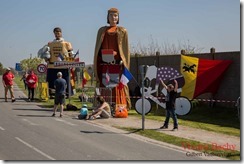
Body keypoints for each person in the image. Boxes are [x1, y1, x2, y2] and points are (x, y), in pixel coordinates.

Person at [93, 7, 131, 109]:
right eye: (111, 15)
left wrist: (123, 59)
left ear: (118, 17)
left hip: (117, 65)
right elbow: (98, 47)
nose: (113, 17)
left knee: (117, 86)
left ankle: (119, 106)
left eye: (115, 15)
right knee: (106, 85)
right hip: (105, 65)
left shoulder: (122, 31)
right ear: (107, 17)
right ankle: (105, 106)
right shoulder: (102, 30)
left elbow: (125, 48)